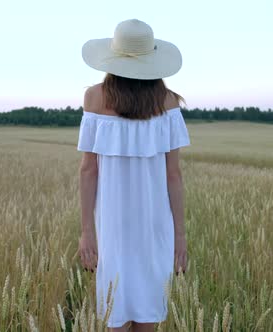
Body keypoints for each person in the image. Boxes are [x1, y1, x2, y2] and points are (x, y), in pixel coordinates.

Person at [76, 19, 191, 331]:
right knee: (148, 314)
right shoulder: (167, 101)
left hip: (111, 227)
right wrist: (179, 237)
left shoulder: (94, 97)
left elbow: (89, 170)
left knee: (116, 315)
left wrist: (87, 231)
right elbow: (173, 176)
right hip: (155, 227)